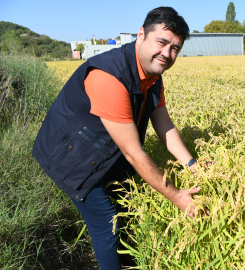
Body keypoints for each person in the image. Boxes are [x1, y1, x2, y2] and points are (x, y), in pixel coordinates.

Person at [32, 7, 209, 269]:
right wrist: (176, 196)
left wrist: (193, 165)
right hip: (71, 153)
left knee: (129, 202)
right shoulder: (109, 76)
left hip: (106, 146)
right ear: (141, 35)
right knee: (107, 222)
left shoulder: (154, 78)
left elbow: (164, 125)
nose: (167, 54)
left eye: (175, 48)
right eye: (162, 42)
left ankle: (127, 263)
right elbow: (133, 153)